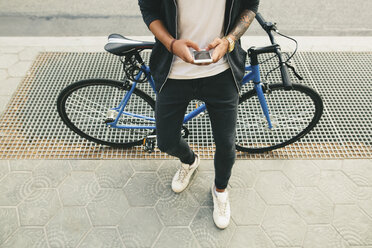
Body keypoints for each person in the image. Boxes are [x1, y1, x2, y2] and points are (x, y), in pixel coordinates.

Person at [138, 0, 259, 229]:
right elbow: (148, 8)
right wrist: (172, 44)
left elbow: (251, 5)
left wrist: (229, 41)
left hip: (222, 73)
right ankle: (190, 161)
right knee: (166, 141)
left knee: (226, 144)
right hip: (174, 73)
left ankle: (220, 190)